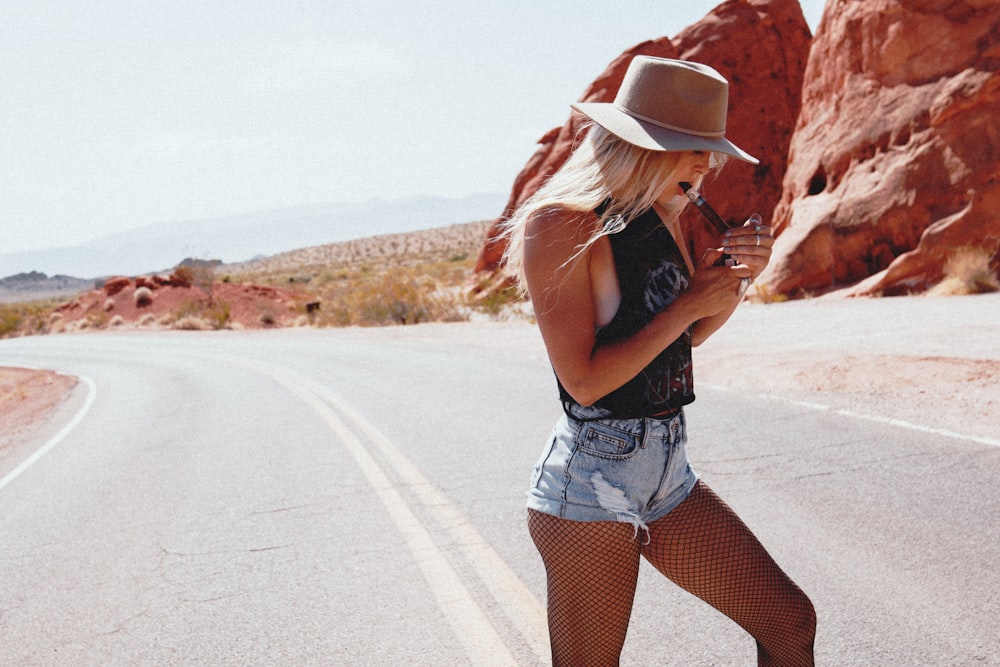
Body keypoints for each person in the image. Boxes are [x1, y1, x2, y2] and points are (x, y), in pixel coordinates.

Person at [501, 56, 816, 665]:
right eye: (691, 148)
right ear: (639, 145)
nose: (706, 164)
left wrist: (736, 281)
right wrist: (689, 302)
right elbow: (586, 381)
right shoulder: (560, 224)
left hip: (667, 470)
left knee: (789, 621)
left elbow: (687, 339)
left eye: (709, 150)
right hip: (591, 482)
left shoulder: (661, 215)